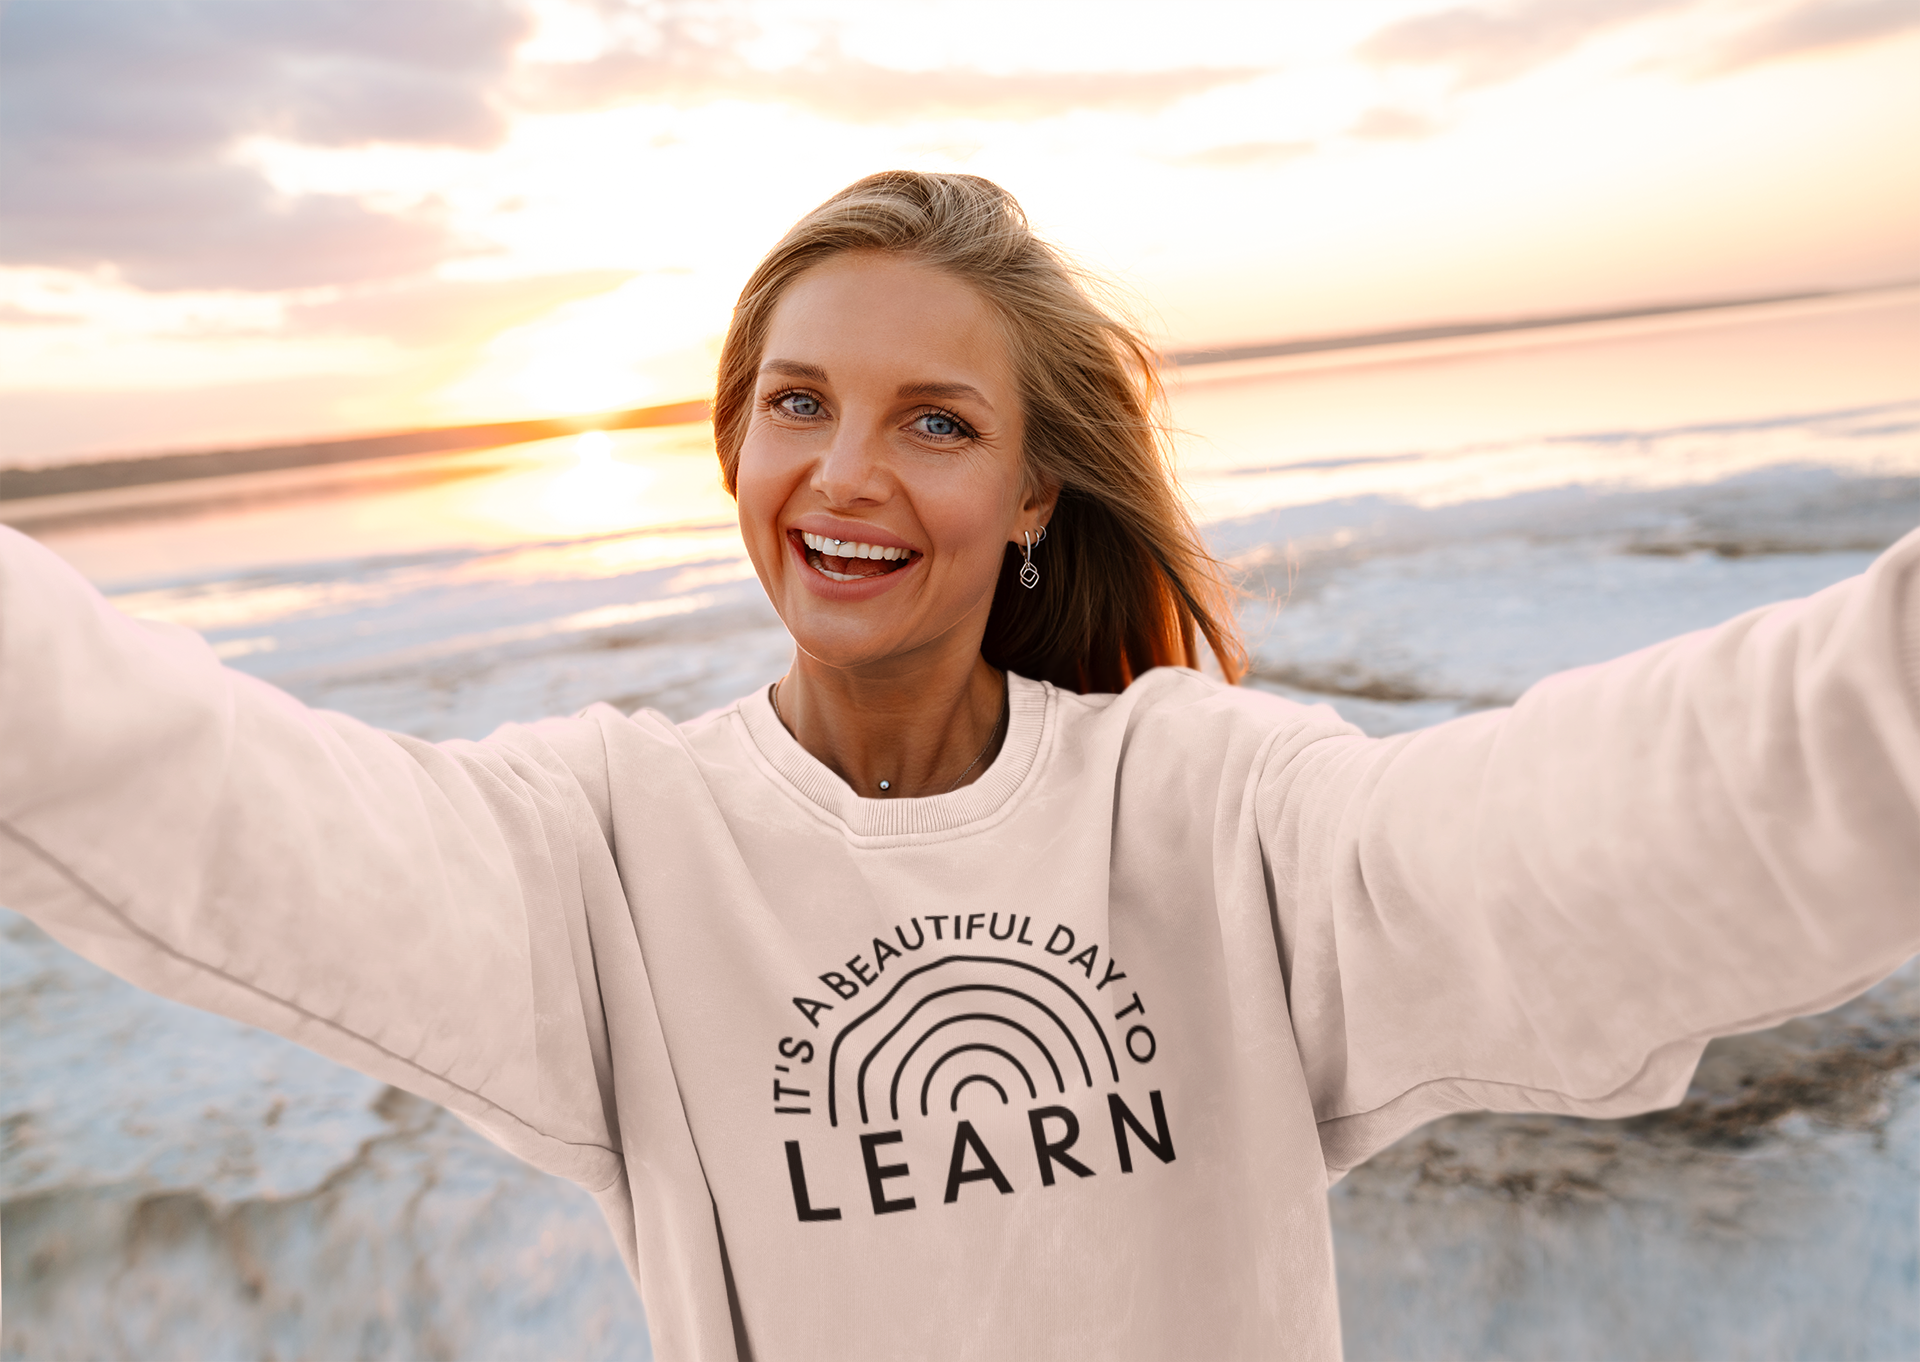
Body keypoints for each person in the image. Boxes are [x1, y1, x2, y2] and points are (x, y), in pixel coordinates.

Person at [1, 170, 1916, 1361]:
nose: (843, 474)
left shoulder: (1207, 810)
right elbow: (204, 794)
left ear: (1027, 493)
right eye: (796, 404)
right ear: (733, 450)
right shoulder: (600, 851)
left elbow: (1607, 825)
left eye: (933, 419)